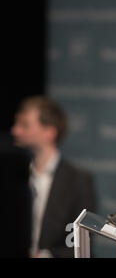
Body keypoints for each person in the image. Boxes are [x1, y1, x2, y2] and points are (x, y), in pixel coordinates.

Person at [11, 96, 96, 258]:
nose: (15, 131)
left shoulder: (78, 180)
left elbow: (83, 244)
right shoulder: (12, 175)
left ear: (49, 132)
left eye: (25, 125)